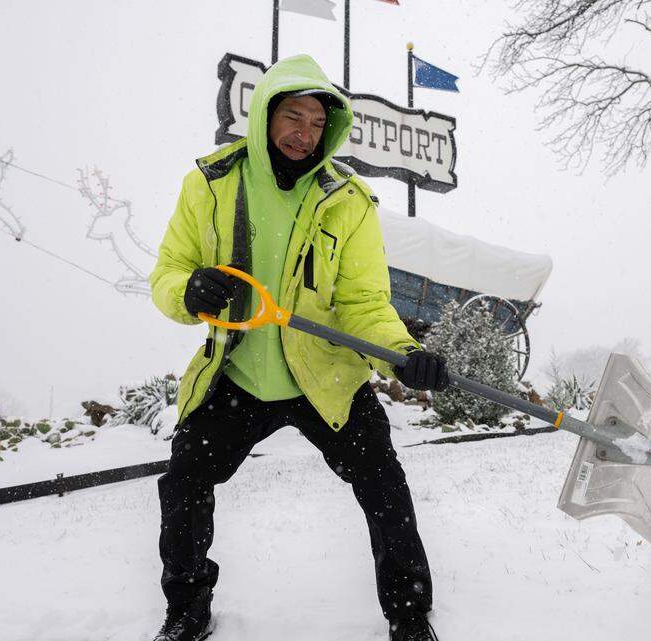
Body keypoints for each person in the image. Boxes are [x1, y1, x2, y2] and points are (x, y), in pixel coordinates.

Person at [148, 54, 448, 641]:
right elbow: (166, 275)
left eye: (316, 123)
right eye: (293, 116)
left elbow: (364, 301)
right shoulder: (209, 184)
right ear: (265, 115)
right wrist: (189, 290)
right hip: (237, 373)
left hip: (326, 380)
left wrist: (403, 352)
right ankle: (186, 609)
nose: (304, 133)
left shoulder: (348, 200)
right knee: (184, 483)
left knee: (384, 487)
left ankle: (410, 616)